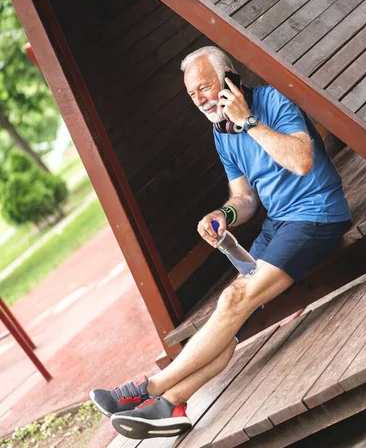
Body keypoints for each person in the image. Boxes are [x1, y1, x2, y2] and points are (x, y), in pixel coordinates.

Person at [90, 46, 351, 440]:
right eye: (192, 96)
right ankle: (171, 405)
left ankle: (151, 387)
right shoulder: (221, 134)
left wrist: (247, 121)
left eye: (205, 87)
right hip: (279, 224)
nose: (200, 100)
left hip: (315, 215)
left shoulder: (270, 102)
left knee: (232, 301)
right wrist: (221, 216)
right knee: (229, 319)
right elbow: (244, 199)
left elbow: (301, 161)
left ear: (229, 79)